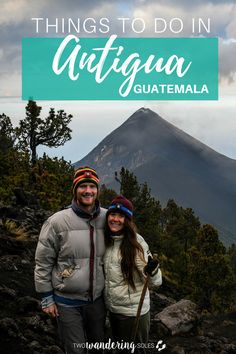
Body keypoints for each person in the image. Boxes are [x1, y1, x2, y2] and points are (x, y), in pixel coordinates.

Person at [34, 166, 106, 354]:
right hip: (67, 302)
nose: (88, 191)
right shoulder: (57, 222)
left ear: (98, 190)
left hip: (97, 301)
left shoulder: (108, 218)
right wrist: (47, 297)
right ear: (75, 190)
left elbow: (130, 240)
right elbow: (43, 262)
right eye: (83, 186)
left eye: (92, 186)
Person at [103, 196, 162, 354]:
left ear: (128, 220)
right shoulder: (107, 241)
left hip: (133, 313)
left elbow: (154, 282)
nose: (116, 219)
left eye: (121, 216)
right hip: (114, 310)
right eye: (112, 214)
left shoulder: (136, 244)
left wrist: (152, 271)